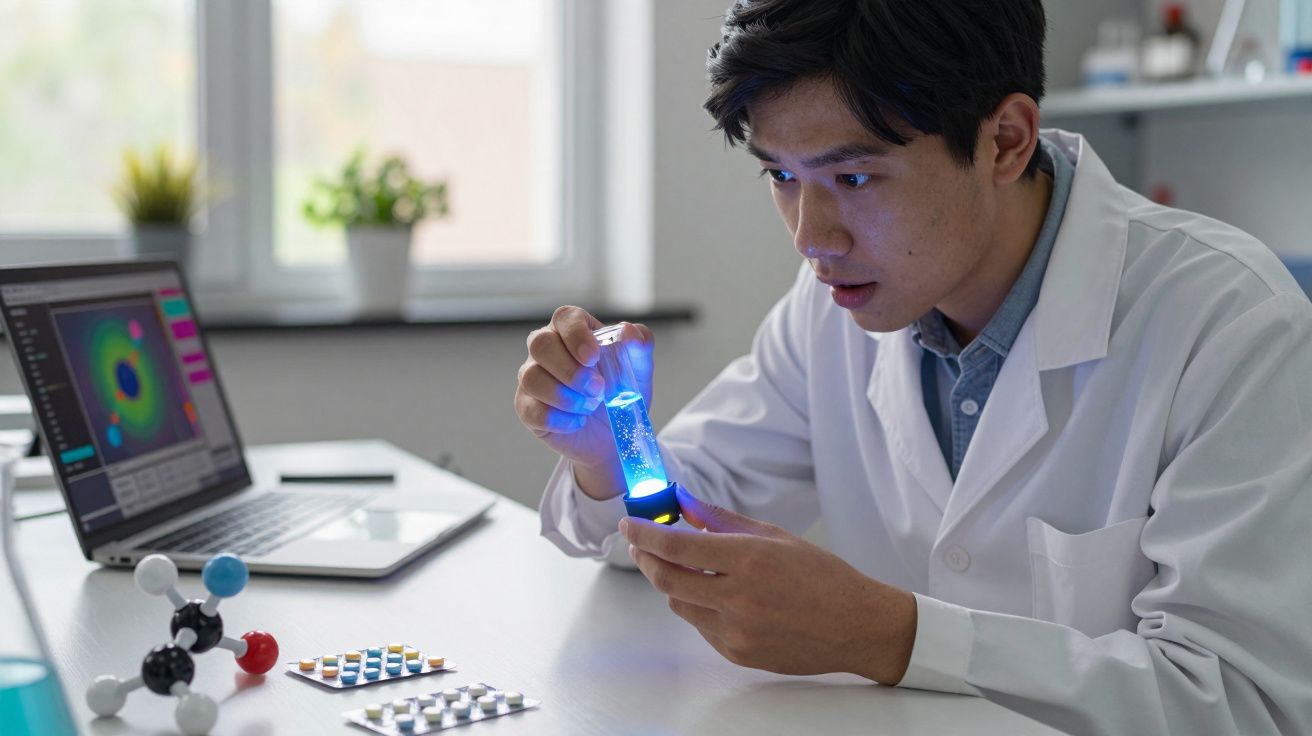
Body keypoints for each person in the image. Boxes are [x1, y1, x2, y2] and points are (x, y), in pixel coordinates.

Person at [513, 1, 1312, 733]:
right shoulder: (829, 310)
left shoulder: (1231, 325)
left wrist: (890, 634)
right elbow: (670, 531)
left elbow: (1245, 703)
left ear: (1005, 140)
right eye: (782, 177)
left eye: (852, 177)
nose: (810, 236)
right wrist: (606, 451)